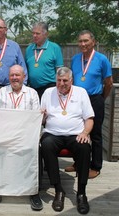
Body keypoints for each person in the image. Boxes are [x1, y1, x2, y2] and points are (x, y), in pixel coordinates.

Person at [41, 67, 94, 214]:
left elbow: (89, 118)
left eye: (65, 80)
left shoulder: (81, 92)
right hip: (52, 133)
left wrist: (85, 132)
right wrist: (42, 116)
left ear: (71, 80)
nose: (62, 83)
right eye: (59, 80)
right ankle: (58, 190)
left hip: (76, 134)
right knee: (45, 145)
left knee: (84, 147)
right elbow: (42, 120)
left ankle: (81, 193)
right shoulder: (47, 92)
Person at [0, 64, 42, 211]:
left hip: (25, 136)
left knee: (34, 149)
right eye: (12, 75)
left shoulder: (32, 94)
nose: (14, 78)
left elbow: (34, 119)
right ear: (9, 77)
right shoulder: (0, 93)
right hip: (4, 135)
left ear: (24, 77)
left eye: (17, 75)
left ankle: (34, 192)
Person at [68, 30, 113, 179]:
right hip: (77, 100)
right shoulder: (75, 59)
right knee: (76, 131)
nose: (83, 44)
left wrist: (101, 98)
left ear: (93, 42)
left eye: (86, 41)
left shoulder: (102, 59)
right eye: (80, 41)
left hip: (94, 99)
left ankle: (96, 166)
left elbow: (109, 83)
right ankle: (78, 163)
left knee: (95, 134)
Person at [25, 22, 64, 99]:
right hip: (32, 89)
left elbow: (59, 70)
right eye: (33, 33)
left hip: (49, 88)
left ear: (46, 34)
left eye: (37, 33)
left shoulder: (54, 48)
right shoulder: (29, 49)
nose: (34, 36)